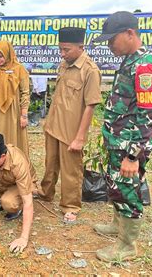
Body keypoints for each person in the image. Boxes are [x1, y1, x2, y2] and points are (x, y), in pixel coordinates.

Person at [92, 11, 152, 262]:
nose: (109, 45)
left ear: (130, 34)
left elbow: (148, 117)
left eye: (112, 39)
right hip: (118, 141)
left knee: (128, 190)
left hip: (130, 146)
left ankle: (127, 245)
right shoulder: (129, 61)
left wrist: (133, 156)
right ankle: (117, 225)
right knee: (117, 185)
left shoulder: (145, 66)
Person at [40, 27, 102, 224]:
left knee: (71, 170)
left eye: (66, 49)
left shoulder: (90, 71)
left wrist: (80, 137)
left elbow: (90, 105)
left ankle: (71, 205)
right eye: (60, 49)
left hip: (71, 130)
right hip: (53, 124)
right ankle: (46, 192)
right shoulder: (64, 65)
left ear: (80, 47)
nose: (62, 53)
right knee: (50, 164)